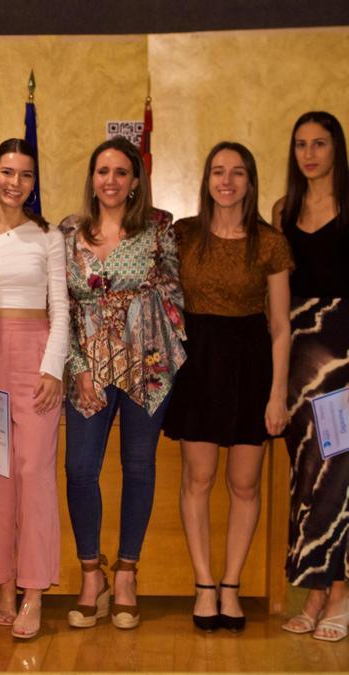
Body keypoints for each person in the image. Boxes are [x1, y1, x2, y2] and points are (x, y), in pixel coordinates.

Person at [162, 142, 292, 633]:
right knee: (198, 479)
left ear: (250, 181)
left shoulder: (270, 242)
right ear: (207, 179)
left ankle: (232, 585)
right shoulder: (183, 235)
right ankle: (203, 584)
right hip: (196, 364)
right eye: (218, 171)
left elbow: (280, 326)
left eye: (238, 173)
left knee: (244, 483)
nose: (227, 181)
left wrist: (278, 393)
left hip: (251, 367)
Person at [61, 136, 186, 631]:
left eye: (120, 172)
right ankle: (92, 574)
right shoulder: (69, 232)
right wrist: (78, 365)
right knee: (79, 469)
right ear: (92, 179)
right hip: (87, 369)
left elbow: (175, 297)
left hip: (146, 366)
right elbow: (63, 307)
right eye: (102, 171)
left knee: (138, 466)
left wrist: (151, 354)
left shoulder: (158, 230)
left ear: (135, 181)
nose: (110, 180)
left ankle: (128, 573)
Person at [0, 139, 67, 640]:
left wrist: (53, 369)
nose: (15, 182)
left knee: (34, 471)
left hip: (37, 355)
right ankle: (2, 582)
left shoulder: (49, 237)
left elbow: (62, 308)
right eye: (7, 171)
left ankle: (35, 589)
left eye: (25, 174)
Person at [273, 111, 349, 643]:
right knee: (307, 470)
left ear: (336, 150)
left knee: (340, 467)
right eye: (301, 144)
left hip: (345, 350)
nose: (309, 154)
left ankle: (338, 592)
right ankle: (313, 587)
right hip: (297, 356)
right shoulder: (283, 211)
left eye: (319, 144)